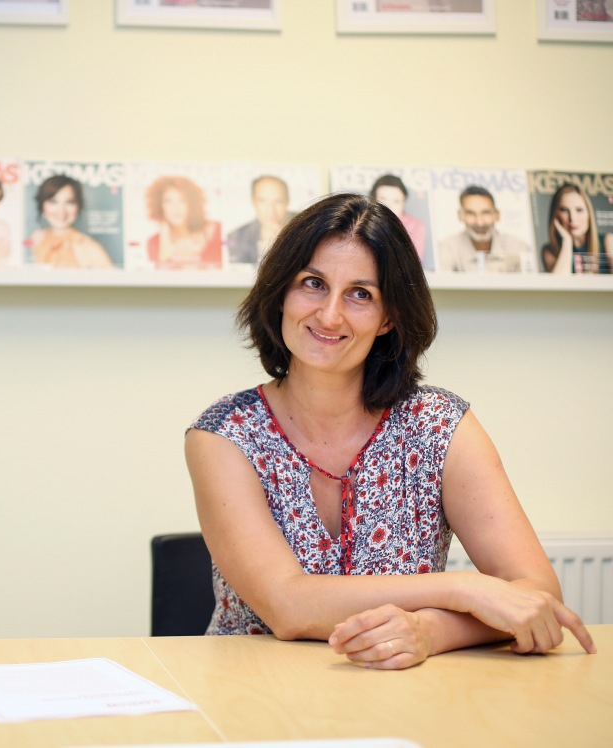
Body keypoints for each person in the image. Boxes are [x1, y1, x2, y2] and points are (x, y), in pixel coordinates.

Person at [185, 193, 596, 670]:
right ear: (281, 293)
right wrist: (460, 588)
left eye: (361, 294)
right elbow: (288, 605)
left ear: (389, 318)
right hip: (252, 694)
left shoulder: (440, 425)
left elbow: (537, 594)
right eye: (313, 283)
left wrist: (431, 630)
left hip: (402, 693)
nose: (330, 315)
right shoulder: (223, 435)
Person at [436, 186, 534, 273]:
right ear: (460, 216)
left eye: (486, 213)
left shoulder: (518, 247)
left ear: (497, 215)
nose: (480, 222)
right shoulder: (447, 248)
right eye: (471, 213)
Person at [28, 175, 113, 269]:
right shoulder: (37, 237)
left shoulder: (89, 247)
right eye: (53, 202)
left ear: (78, 205)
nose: (61, 211)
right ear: (41, 204)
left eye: (69, 202)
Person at [145, 175, 222, 269]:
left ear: (192, 203)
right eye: (168, 201)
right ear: (159, 205)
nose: (175, 207)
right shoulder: (155, 242)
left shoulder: (216, 231)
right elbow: (159, 274)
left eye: (182, 200)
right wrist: (164, 232)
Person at [540, 183, 612, 274]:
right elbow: (558, 281)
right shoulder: (550, 251)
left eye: (579, 210)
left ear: (588, 214)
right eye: (564, 210)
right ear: (555, 215)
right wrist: (567, 242)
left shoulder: (608, 241)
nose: (572, 218)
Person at [226, 175, 294, 264]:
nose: (271, 209)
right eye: (263, 201)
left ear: (287, 201)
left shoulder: (306, 226)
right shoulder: (237, 237)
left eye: (278, 201)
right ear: (253, 201)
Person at [369, 174, 426, 261]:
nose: (389, 206)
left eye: (396, 201)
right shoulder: (363, 221)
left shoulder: (415, 226)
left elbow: (413, 261)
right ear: (373, 200)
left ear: (403, 203)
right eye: (383, 199)